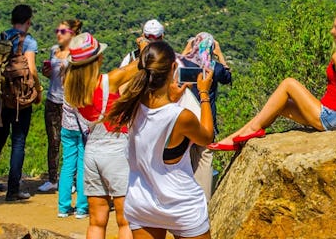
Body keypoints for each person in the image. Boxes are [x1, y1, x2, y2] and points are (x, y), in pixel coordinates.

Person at [210, 11, 336, 152]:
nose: (332, 31)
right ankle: (233, 141)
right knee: (276, 106)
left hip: (330, 116)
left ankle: (249, 132)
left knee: (289, 83)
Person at [106, 41, 215, 239]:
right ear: (174, 68)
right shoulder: (181, 116)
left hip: (142, 203)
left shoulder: (132, 105)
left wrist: (170, 99)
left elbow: (154, 120)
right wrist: (204, 93)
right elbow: (207, 137)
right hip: (181, 204)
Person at [64, 32, 142, 239]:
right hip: (115, 150)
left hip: (92, 151)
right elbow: (138, 65)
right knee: (126, 220)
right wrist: (145, 45)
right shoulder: (109, 81)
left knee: (97, 221)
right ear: (96, 59)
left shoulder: (73, 88)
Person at [0, 4, 39, 201]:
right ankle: (13, 189)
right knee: (18, 141)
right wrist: (37, 91)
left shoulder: (1, 38)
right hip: (19, 98)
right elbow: (31, 70)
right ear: (28, 21)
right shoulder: (29, 42)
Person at [41, 19, 89, 218]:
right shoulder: (62, 52)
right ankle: (81, 207)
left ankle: (63, 206)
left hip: (67, 106)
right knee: (76, 156)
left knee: (69, 159)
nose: (58, 33)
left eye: (63, 30)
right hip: (72, 106)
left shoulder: (77, 54)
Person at [179, 33, 232, 200]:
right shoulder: (214, 67)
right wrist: (220, 54)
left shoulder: (183, 64)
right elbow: (228, 78)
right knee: (204, 159)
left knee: (183, 161)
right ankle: (204, 203)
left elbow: (175, 68)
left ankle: (183, 199)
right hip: (205, 121)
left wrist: (186, 50)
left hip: (185, 122)